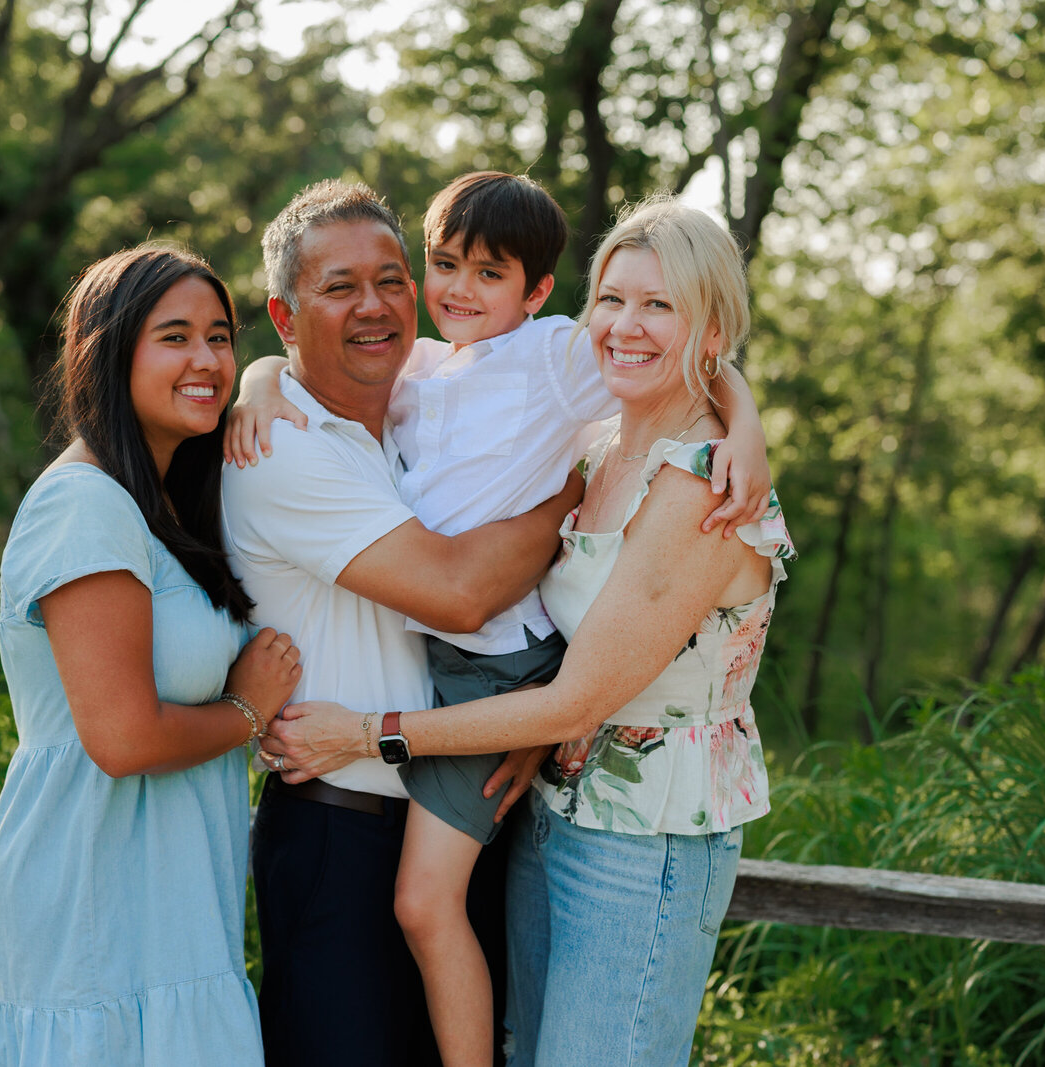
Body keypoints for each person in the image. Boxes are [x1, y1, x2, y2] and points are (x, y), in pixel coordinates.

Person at [227, 173, 771, 1067]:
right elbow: (301, 361)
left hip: (596, 798)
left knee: (430, 915)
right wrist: (256, 378)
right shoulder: (426, 381)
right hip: (497, 802)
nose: (456, 290)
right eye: (443, 266)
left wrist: (741, 424)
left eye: (487, 273)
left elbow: (675, 351)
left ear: (539, 293)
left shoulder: (573, 382)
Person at [220, 178, 586, 1067]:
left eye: (391, 279)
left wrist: (534, 711)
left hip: (453, 807)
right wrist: (567, 496)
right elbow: (463, 595)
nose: (376, 304)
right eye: (339, 286)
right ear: (283, 312)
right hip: (341, 832)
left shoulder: (414, 409)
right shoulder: (279, 451)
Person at [0, 245, 299, 1066]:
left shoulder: (155, 501)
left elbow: (273, 375)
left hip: (175, 893)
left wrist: (260, 377)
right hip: (92, 888)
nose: (206, 360)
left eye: (220, 337)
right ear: (110, 352)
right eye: (175, 336)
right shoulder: (83, 508)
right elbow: (123, 740)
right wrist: (247, 711)